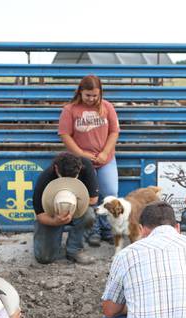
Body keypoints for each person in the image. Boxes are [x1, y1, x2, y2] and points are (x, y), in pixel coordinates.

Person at [58, 75, 120, 247]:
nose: (91, 99)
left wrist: (105, 152)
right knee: (89, 196)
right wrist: (81, 154)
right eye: (88, 95)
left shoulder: (107, 107)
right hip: (82, 162)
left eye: (95, 95)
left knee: (110, 192)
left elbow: (114, 132)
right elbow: (65, 134)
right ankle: (93, 230)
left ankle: (107, 228)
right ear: (80, 92)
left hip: (105, 159)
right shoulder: (70, 110)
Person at [32, 152, 98, 265]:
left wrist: (70, 204)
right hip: (52, 212)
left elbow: (93, 199)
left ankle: (74, 249)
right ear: (56, 168)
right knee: (44, 258)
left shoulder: (86, 166)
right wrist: (55, 221)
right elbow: (40, 214)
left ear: (80, 168)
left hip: (77, 208)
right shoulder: (46, 177)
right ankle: (51, 242)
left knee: (89, 215)